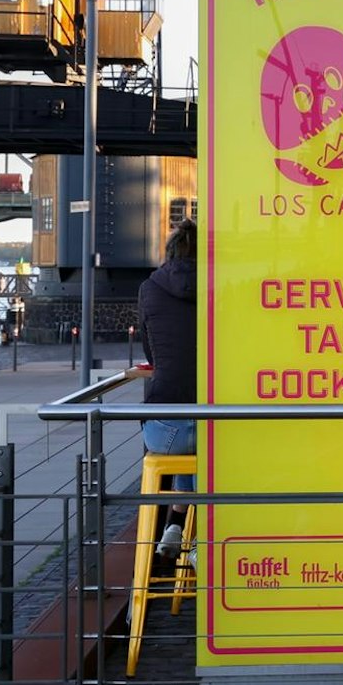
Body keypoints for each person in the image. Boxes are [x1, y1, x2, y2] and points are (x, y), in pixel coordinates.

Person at [139, 218, 199, 557]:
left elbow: (151, 353)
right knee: (207, 443)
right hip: (220, 422)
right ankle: (201, 538)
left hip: (164, 431)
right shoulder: (223, 287)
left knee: (187, 445)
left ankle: (175, 523)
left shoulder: (149, 287)